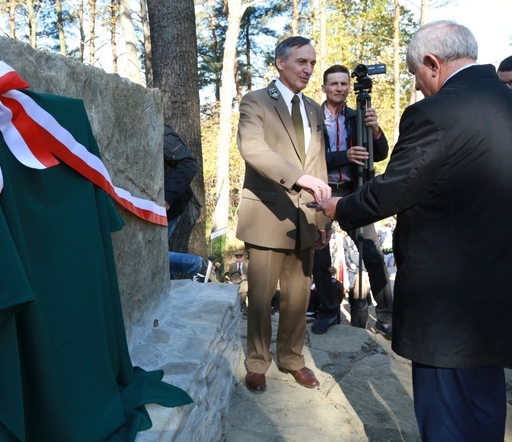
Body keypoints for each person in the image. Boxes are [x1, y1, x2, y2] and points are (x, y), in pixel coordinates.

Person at [318, 20, 512, 440]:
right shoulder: (506, 100)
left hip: (446, 301)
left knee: (445, 414)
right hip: (498, 292)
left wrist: (338, 207)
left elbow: (395, 188)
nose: (420, 86)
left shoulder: (434, 113)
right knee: (485, 403)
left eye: (416, 75)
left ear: (432, 62)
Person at [236, 35, 332, 393]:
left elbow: (318, 164)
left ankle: (292, 358)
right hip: (267, 215)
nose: (308, 69)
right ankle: (257, 362)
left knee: (298, 297)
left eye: (312, 63)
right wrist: (298, 178)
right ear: (280, 63)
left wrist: (323, 220)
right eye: (301, 62)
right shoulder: (256, 101)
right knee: (261, 298)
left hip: (306, 217)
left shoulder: (313, 109)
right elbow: (252, 149)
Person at [310, 65, 394, 338]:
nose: (339, 88)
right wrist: (345, 155)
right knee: (318, 255)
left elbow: (380, 155)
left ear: (349, 86)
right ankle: (328, 310)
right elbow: (305, 159)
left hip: (351, 191)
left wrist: (375, 129)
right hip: (319, 191)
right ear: (323, 87)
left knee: (371, 251)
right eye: (333, 83)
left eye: (343, 84)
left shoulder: (357, 117)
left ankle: (386, 316)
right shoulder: (311, 118)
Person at [163, 123, 213, 281]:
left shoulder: (159, 129)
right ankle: (170, 289)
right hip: (144, 204)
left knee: (150, 253)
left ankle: (198, 266)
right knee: (154, 258)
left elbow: (189, 164)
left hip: (166, 205)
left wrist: (167, 197)